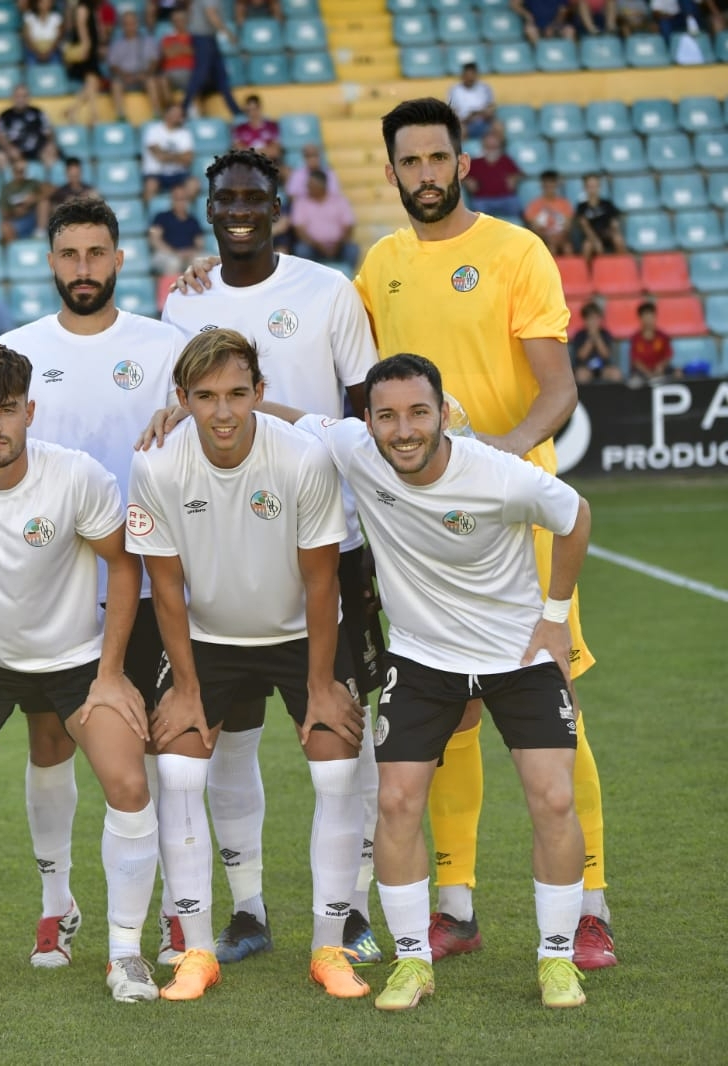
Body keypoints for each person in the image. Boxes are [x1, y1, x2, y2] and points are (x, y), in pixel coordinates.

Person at [354, 98, 615, 971]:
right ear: (390, 172)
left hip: (513, 515)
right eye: (410, 162)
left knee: (555, 709)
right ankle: (454, 901)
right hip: (424, 530)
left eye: (439, 158)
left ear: (463, 162)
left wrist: (497, 460)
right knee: (446, 713)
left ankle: (589, 906)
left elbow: (557, 390)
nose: (426, 175)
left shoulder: (516, 252)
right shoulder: (380, 264)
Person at [263, 353, 593, 1012]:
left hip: (515, 657)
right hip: (422, 658)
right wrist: (192, 413)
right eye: (387, 415)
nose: (403, 429)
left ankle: (557, 960)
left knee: (554, 799)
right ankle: (413, 962)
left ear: (444, 414)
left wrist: (555, 620)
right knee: (396, 804)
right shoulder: (356, 448)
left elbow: (575, 514)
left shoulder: (499, 476)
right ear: (368, 421)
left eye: (418, 412)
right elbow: (287, 418)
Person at [156, 148, 384, 969]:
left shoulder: (328, 291)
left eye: (255, 196)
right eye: (227, 197)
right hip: (222, 547)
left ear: (279, 204)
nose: (241, 209)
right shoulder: (182, 297)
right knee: (233, 737)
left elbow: (361, 417)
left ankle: (349, 912)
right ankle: (245, 907)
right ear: (208, 205)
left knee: (342, 732)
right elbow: (174, 402)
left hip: (330, 542)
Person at [0, 343, 159, 1006]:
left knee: (129, 782)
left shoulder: (76, 476)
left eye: (7, 411)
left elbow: (125, 566)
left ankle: (126, 953)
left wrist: (109, 672)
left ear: (29, 411)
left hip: (75, 658)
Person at [128, 331, 367, 1004]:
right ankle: (197, 950)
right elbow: (167, 589)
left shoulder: (303, 460)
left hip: (302, 635)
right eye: (205, 397)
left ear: (260, 393)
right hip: (209, 639)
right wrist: (187, 685)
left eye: (237, 394)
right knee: (177, 768)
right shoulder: (157, 467)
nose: (223, 412)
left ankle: (330, 947)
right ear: (182, 400)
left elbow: (323, 583)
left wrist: (321, 685)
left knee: (337, 768)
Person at [0, 197, 185, 968]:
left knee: (152, 746)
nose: (83, 268)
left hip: (143, 580)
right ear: (50, 260)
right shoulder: (17, 347)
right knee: (48, 741)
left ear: (118, 258)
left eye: (96, 253)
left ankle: (177, 905)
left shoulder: (166, 343)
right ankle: (56, 906)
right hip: (50, 585)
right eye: (69, 254)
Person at [181, 0, 241, 118]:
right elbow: (211, 15)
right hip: (203, 38)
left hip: (208, 37)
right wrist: (228, 33)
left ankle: (236, 112)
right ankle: (183, 109)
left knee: (221, 75)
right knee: (200, 74)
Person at [106, 9, 164, 122]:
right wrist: (124, 75)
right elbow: (113, 65)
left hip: (143, 76)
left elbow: (154, 61)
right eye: (126, 24)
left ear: (137, 24)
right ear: (122, 26)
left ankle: (156, 113)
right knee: (115, 84)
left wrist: (146, 74)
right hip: (124, 78)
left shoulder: (148, 41)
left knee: (151, 81)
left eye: (132, 23)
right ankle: (121, 115)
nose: (130, 27)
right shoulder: (116, 44)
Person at [291, 170, 358, 264]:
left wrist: (338, 244)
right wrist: (317, 245)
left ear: (322, 185)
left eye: (311, 185)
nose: (308, 187)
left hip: (338, 245)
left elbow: (349, 225)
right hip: (313, 247)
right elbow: (299, 229)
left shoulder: (339, 200)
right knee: (302, 250)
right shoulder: (302, 202)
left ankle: (346, 277)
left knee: (351, 249)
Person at [59, 0, 103, 126]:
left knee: (92, 83)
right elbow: (81, 25)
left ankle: (73, 110)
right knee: (93, 80)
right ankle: (94, 115)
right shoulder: (83, 6)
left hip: (90, 47)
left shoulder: (91, 7)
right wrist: (86, 44)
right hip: (85, 47)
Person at [0, 85, 60, 170]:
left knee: (51, 152)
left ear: (29, 98)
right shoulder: (5, 116)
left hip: (37, 150)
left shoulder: (38, 113)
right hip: (14, 150)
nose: (21, 99)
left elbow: (49, 132)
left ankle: (47, 182)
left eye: (24, 96)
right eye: (18, 96)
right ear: (12, 97)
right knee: (0, 157)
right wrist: (9, 148)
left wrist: (49, 144)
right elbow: (1, 137)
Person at [141, 103, 196, 202]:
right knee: (150, 186)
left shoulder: (185, 133)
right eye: (176, 113)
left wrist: (166, 155)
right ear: (167, 114)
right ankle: (146, 214)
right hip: (156, 173)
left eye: (180, 114)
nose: (179, 116)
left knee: (193, 185)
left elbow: (188, 159)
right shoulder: (153, 130)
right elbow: (159, 156)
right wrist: (179, 156)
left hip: (178, 174)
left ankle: (181, 213)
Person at [463, 130, 523, 221]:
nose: (491, 150)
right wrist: (468, 181)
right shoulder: (475, 162)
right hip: (483, 199)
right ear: (483, 147)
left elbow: (519, 174)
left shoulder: (506, 160)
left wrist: (515, 178)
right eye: (488, 147)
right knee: (479, 214)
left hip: (505, 198)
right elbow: (462, 176)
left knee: (515, 207)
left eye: (494, 147)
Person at [148, 183, 205, 274]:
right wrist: (174, 252)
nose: (180, 202)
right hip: (166, 254)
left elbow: (199, 243)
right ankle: (172, 288)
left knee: (203, 261)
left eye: (183, 199)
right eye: (177, 199)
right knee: (174, 263)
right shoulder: (161, 217)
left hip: (188, 254)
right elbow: (154, 240)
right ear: (172, 200)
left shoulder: (193, 220)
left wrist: (189, 252)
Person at [574, 174, 627, 265]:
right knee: (587, 246)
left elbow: (614, 223)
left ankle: (621, 266)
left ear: (599, 187)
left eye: (595, 186)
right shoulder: (581, 207)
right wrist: (595, 240)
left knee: (619, 240)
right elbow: (585, 226)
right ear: (585, 188)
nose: (593, 189)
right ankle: (588, 274)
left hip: (606, 234)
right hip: (590, 237)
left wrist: (613, 231)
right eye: (590, 186)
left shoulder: (607, 204)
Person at [524, 170, 575, 257]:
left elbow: (568, 226)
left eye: (552, 186)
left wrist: (559, 238)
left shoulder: (564, 204)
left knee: (568, 248)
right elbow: (533, 227)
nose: (549, 189)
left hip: (562, 238)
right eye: (547, 186)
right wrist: (547, 238)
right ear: (542, 186)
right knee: (551, 249)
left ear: (556, 186)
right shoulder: (534, 205)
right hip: (544, 239)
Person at [569, 301, 622, 384]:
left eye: (596, 318)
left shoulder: (605, 333)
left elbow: (606, 355)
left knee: (616, 374)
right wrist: (590, 339)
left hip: (603, 368)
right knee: (581, 375)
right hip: (585, 368)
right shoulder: (579, 335)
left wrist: (597, 338)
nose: (593, 322)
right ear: (585, 320)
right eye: (590, 318)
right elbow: (581, 356)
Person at [0, 156, 49, 244]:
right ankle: (16, 253)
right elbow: (4, 213)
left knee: (44, 203)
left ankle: (40, 233)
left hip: (34, 217)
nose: (20, 174)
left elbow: (51, 190)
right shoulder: (6, 189)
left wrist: (34, 198)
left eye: (22, 171)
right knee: (4, 227)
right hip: (17, 220)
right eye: (18, 171)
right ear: (13, 171)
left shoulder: (32, 183)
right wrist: (15, 212)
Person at [627, 300, 678, 384]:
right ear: (640, 318)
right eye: (646, 317)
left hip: (660, 371)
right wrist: (648, 373)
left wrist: (661, 366)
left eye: (651, 316)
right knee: (634, 382)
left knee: (677, 374)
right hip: (642, 373)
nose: (648, 320)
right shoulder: (635, 338)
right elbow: (635, 361)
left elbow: (668, 356)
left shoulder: (663, 336)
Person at [446, 63, 495, 140]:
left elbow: (490, 109)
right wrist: (466, 119)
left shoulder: (485, 88)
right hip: (464, 123)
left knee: (498, 127)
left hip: (483, 121)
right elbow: (452, 111)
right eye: (467, 75)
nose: (470, 78)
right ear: (462, 76)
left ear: (476, 75)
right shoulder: (454, 90)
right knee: (459, 131)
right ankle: (461, 151)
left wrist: (476, 114)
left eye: (472, 75)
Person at [232, 95, 282, 163]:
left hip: (268, 164)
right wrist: (264, 151)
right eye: (248, 110)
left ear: (260, 108)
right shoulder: (240, 129)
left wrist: (250, 151)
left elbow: (274, 152)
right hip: (247, 164)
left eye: (254, 109)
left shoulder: (271, 127)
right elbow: (238, 151)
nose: (252, 113)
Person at [512, 0, 577, 42]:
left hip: (556, 23)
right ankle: (541, 53)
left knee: (570, 30)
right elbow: (514, 4)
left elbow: (563, 11)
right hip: (536, 23)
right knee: (530, 30)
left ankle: (566, 55)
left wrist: (553, 25)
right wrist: (527, 15)